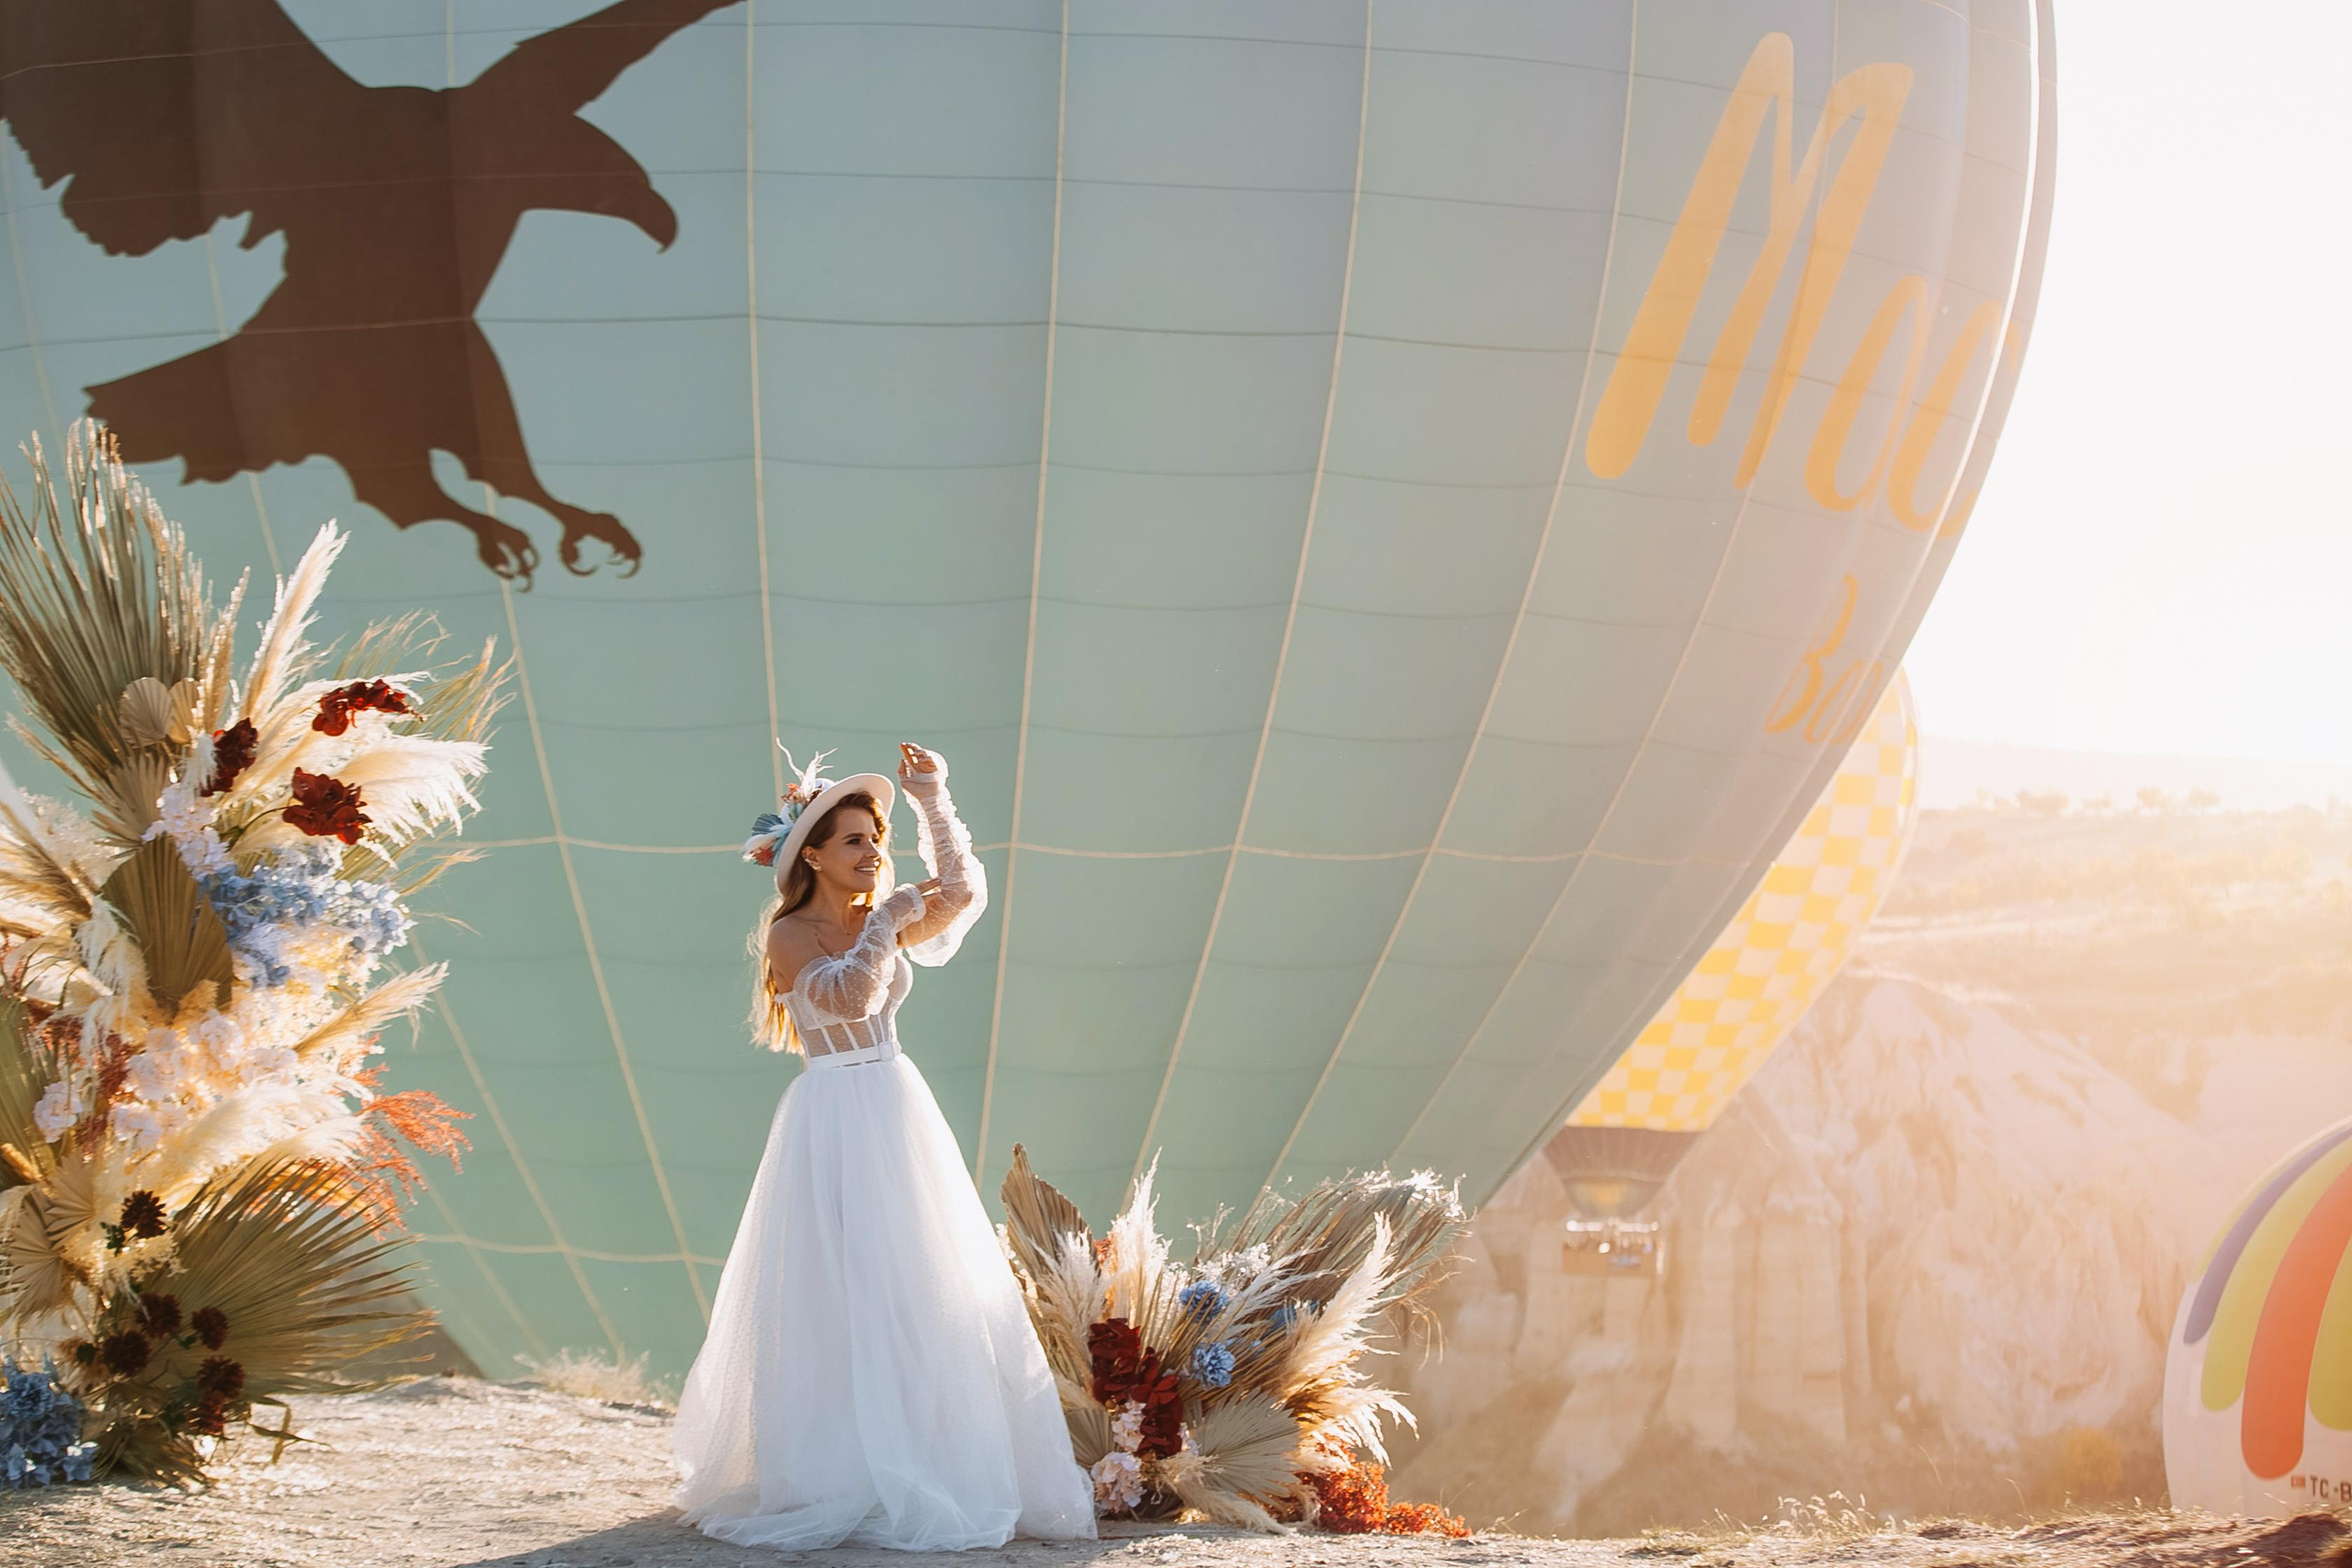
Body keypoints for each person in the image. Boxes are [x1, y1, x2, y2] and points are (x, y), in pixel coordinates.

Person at [671, 742, 1096, 1551]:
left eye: (876, 837)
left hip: (895, 1101)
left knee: (918, 1278)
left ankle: (932, 1454)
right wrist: (892, 920)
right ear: (816, 858)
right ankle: (843, 1469)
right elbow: (846, 993)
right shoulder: (791, 933)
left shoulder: (878, 915)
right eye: (856, 841)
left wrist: (933, 796)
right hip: (832, 1112)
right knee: (839, 1283)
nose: (872, 852)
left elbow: (962, 892)